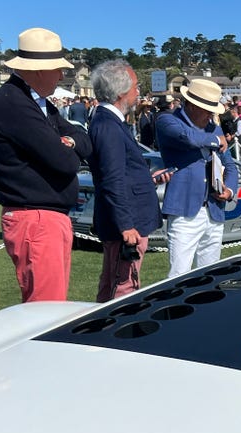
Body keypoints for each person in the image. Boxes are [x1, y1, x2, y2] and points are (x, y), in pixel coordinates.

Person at [0, 27, 91, 303]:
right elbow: (64, 161)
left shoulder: (34, 103)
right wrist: (69, 145)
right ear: (39, 71)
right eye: (58, 69)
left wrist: (68, 143)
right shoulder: (14, 104)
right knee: (45, 312)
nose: (62, 76)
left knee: (48, 307)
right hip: (37, 218)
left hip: (44, 217)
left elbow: (83, 141)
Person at [86, 61, 165, 301]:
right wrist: (125, 225)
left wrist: (146, 179)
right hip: (127, 224)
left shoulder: (109, 122)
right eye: (135, 87)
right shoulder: (108, 125)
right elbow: (112, 179)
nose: (138, 92)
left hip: (129, 217)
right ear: (121, 92)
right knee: (122, 288)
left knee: (118, 283)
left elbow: (120, 174)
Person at [157, 77, 238, 278]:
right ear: (192, 105)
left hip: (213, 210)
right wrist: (216, 139)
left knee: (211, 276)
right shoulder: (168, 121)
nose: (211, 114)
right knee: (179, 275)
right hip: (184, 211)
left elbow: (229, 166)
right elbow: (189, 139)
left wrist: (229, 191)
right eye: (206, 109)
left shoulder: (214, 128)